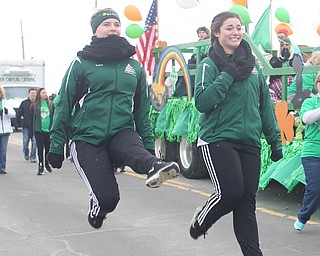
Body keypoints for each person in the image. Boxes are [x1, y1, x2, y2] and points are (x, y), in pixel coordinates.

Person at [46, 8, 179, 229]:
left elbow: (141, 110)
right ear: (96, 30)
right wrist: (56, 144)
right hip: (87, 137)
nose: (113, 29)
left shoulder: (134, 66)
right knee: (109, 199)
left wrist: (147, 145)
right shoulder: (81, 63)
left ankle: (156, 166)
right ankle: (98, 208)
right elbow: (63, 104)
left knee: (140, 156)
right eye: (106, 25)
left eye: (116, 25)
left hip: (121, 132)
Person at [190, 11, 283, 255]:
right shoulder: (208, 65)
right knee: (230, 192)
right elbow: (202, 101)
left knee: (246, 205)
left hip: (250, 141)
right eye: (229, 28)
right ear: (217, 33)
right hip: (218, 138)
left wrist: (274, 140)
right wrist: (228, 74)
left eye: (239, 27)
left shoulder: (253, 67)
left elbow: (264, 106)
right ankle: (202, 219)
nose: (236, 32)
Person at [294, 72, 320, 231]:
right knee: (315, 188)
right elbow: (307, 119)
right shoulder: (311, 101)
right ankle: (303, 217)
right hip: (312, 154)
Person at [32, 88, 54, 175]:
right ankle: (40, 166)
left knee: (48, 148)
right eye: (43, 93)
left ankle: (47, 163)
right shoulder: (35, 105)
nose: (45, 94)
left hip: (48, 130)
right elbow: (33, 118)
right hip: (39, 130)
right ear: (39, 94)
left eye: (45, 92)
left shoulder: (50, 104)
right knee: (40, 148)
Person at [16, 88, 37, 163]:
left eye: (34, 93)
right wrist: (17, 123)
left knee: (34, 142)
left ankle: (33, 157)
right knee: (25, 141)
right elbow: (19, 113)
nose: (33, 95)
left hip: (35, 126)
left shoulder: (38, 103)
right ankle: (26, 153)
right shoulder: (24, 103)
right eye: (32, 93)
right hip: (26, 126)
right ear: (29, 94)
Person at [0, 86, 16, 174]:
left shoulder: (6, 103)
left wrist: (6, 112)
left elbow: (13, 114)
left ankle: (2, 167)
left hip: (5, 131)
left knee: (3, 150)